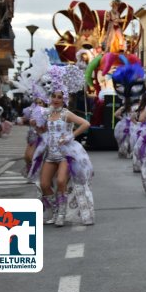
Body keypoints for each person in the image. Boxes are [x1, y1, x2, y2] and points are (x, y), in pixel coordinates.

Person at [28, 64, 93, 227]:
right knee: (44, 184)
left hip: (65, 154)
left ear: (64, 99)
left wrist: (71, 135)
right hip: (50, 154)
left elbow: (86, 123)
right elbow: (43, 132)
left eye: (59, 97)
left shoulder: (66, 114)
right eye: (53, 96)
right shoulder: (47, 113)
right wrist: (36, 126)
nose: (56, 99)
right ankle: (55, 210)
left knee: (62, 181)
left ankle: (62, 214)